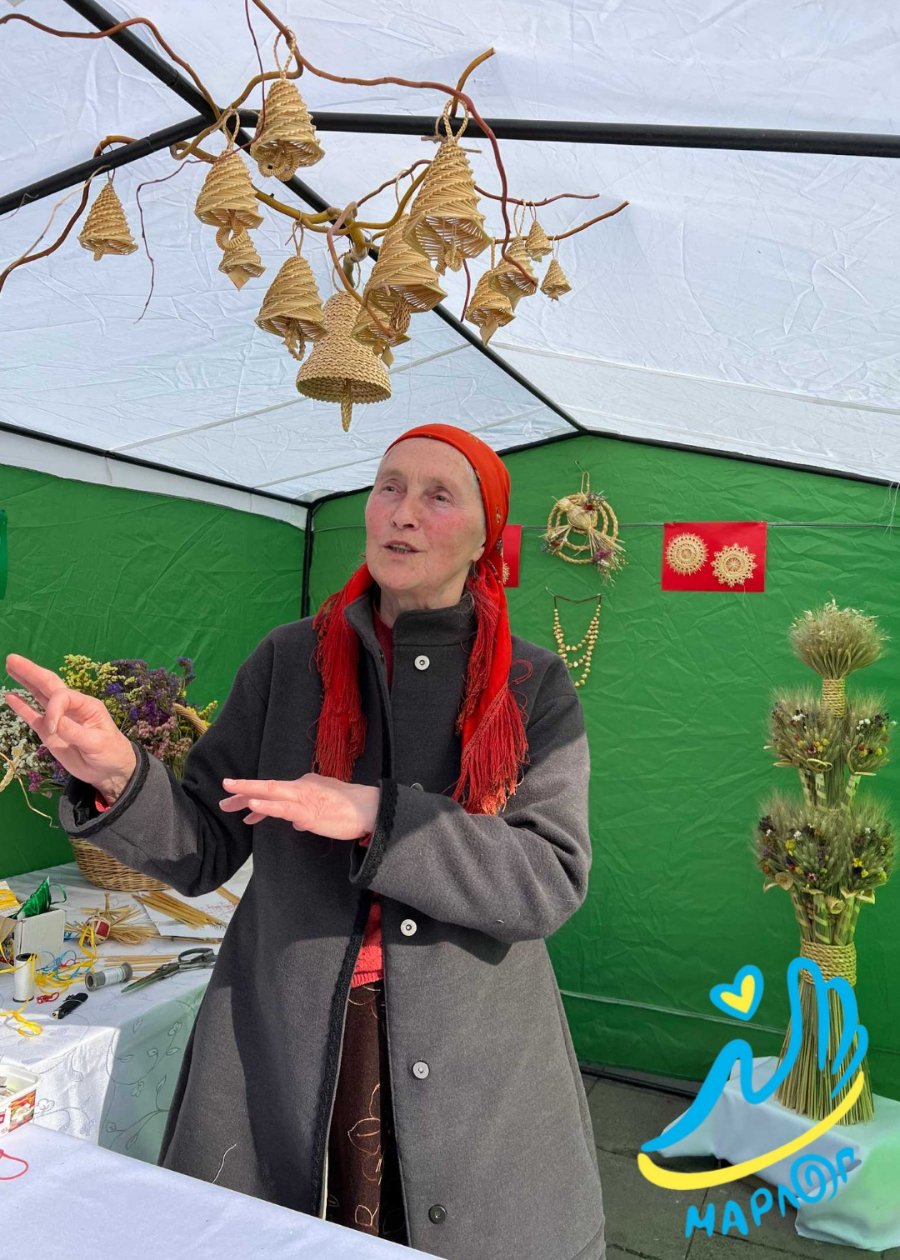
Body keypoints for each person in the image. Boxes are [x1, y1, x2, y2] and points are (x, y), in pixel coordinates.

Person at [4, 423, 605, 1259]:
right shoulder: (291, 661)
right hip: (283, 1041)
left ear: (485, 539)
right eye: (389, 486)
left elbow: (546, 879)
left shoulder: (531, 685)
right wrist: (119, 773)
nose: (402, 512)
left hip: (473, 1054)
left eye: (438, 495)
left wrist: (376, 815)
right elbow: (204, 846)